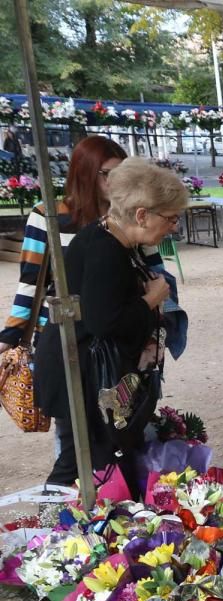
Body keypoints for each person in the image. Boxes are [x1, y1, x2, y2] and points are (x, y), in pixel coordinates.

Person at [33, 159, 184, 491]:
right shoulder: (106, 250)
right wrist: (152, 298)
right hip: (81, 373)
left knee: (105, 458)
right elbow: (106, 322)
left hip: (88, 370)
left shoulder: (111, 238)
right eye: (170, 218)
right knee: (79, 461)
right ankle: (45, 533)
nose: (173, 227)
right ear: (142, 214)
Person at [2, 136, 130, 486]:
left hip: (116, 341)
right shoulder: (47, 216)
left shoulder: (128, 213)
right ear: (86, 173)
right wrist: (9, 336)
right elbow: (30, 283)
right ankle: (59, 521)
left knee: (120, 429)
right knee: (73, 439)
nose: (117, 183)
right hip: (65, 342)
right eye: (108, 174)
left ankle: (112, 511)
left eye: (123, 174)